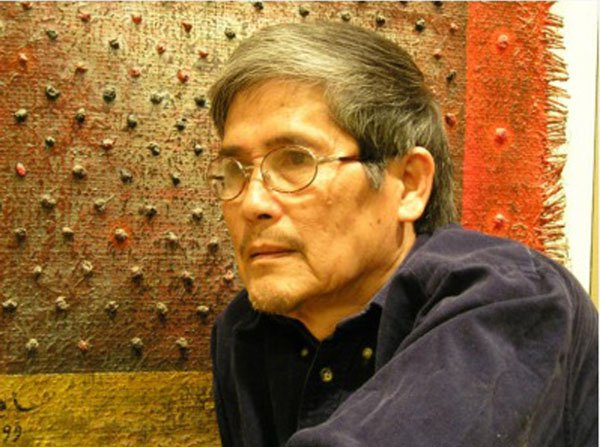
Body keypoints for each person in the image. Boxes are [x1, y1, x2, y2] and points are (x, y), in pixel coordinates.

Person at [206, 22, 597, 447]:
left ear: (409, 185)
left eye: (296, 160)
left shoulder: (508, 295)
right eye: (235, 170)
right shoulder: (244, 331)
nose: (252, 202)